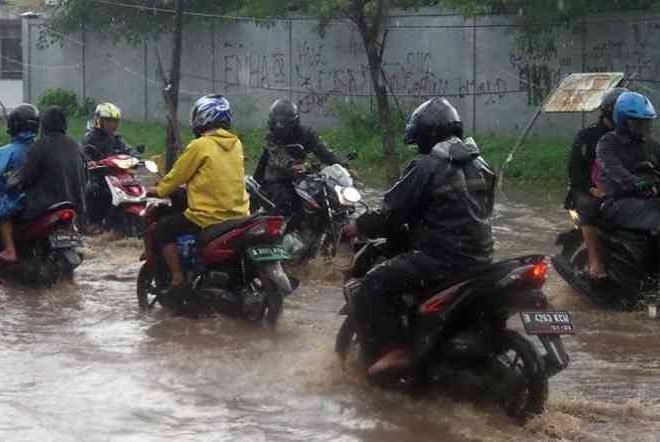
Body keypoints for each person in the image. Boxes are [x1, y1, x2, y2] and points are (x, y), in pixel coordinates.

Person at [343, 97, 495, 376]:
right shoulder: (482, 165)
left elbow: (391, 213)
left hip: (441, 260)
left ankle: (394, 350)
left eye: (420, 140)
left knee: (371, 284)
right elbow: (482, 212)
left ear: (429, 134)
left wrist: (359, 226)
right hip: (482, 260)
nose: (419, 146)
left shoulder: (427, 166)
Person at [151, 94, 249, 303]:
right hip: (239, 216)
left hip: (207, 217)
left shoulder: (200, 145)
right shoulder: (236, 144)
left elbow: (176, 177)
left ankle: (177, 279)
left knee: (163, 228)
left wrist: (158, 190)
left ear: (203, 117)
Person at [565, 87, 627, 280]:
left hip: (624, 190)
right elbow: (575, 170)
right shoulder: (587, 136)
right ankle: (595, 262)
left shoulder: (633, 136)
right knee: (589, 206)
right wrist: (593, 188)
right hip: (589, 190)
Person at [253, 99, 344, 215]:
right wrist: (295, 166)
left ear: (293, 122)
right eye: (277, 124)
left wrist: (342, 165)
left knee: (328, 199)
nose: (280, 128)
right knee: (286, 203)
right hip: (277, 180)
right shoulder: (271, 138)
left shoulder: (307, 134)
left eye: (284, 124)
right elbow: (280, 158)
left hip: (306, 180)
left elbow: (323, 151)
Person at [597, 91, 660, 233]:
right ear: (623, 121)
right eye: (637, 122)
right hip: (618, 202)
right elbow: (617, 173)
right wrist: (641, 184)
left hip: (648, 199)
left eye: (646, 122)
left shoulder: (650, 145)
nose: (643, 126)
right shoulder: (608, 142)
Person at [16, 106, 86, 222]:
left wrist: (16, 183)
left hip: (42, 209)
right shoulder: (76, 146)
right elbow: (85, 177)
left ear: (43, 124)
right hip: (75, 207)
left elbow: (26, 177)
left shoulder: (39, 146)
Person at [0, 104, 40, 262]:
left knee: (3, 209)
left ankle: (10, 249)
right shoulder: (42, 147)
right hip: (43, 198)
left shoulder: (7, 151)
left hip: (18, 200)